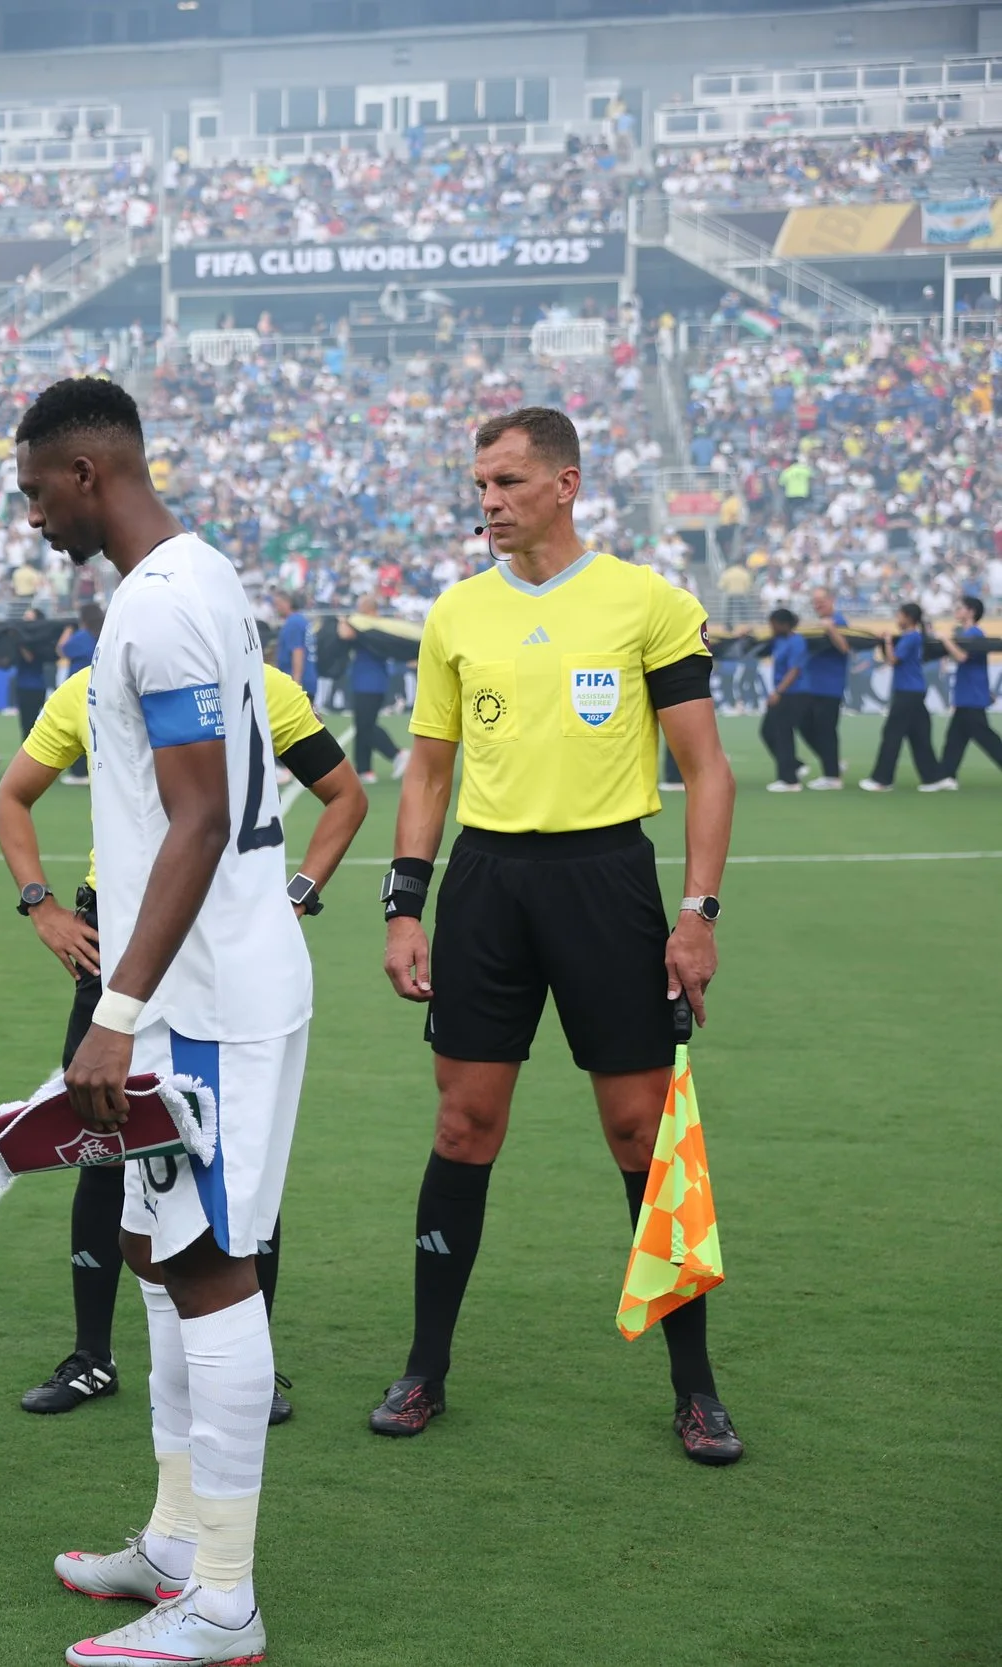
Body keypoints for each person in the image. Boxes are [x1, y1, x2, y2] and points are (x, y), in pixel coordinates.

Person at [372, 406, 742, 1467]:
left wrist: (697, 913)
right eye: (479, 485)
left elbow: (705, 767)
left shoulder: (647, 602)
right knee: (462, 1125)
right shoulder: (455, 613)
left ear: (566, 483)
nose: (487, 502)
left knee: (641, 1131)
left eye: (507, 482)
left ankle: (695, 1387)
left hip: (606, 881)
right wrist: (404, 904)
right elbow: (430, 771)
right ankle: (423, 1367)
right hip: (487, 884)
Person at [12, 377, 308, 1667]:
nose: (31, 520)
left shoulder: (161, 605)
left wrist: (113, 1013)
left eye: (34, 493)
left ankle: (227, 1601)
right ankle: (178, 1541)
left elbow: (197, 818)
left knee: (210, 1265)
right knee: (155, 1257)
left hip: (206, 1001)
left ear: (86, 472)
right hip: (194, 989)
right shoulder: (193, 577)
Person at [0, 659, 363, 1430]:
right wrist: (42, 905)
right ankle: (92, 1355)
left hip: (229, 938)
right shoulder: (87, 687)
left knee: (238, 1156)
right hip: (120, 932)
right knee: (101, 1142)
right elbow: (11, 797)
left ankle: (247, 1365)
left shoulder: (265, 684)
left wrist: (298, 894)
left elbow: (346, 796)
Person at [863, 603, 940, 792]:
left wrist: (888, 641)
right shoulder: (915, 637)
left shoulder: (910, 637)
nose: (897, 619)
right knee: (919, 736)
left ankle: (882, 779)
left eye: (899, 615)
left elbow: (893, 660)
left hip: (907, 691)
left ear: (908, 618)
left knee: (892, 734)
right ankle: (933, 778)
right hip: (914, 690)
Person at [927, 597, 997, 787]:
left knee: (987, 740)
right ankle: (946, 776)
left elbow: (962, 657)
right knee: (954, 740)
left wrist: (944, 639)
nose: (956, 611)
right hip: (967, 695)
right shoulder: (966, 634)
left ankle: (946, 776)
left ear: (971, 612)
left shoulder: (974, 633)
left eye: (960, 608)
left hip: (972, 696)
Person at [336, 594, 404, 783]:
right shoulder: (375, 626)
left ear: (367, 608)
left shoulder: (369, 626)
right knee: (363, 725)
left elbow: (345, 634)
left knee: (366, 726)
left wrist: (343, 620)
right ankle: (364, 769)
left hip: (369, 682)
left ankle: (397, 754)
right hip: (368, 681)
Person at [793, 586, 850, 789]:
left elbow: (845, 648)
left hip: (830, 687)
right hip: (811, 687)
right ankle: (832, 763)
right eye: (815, 602)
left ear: (831, 600)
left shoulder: (839, 621)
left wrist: (830, 628)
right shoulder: (817, 625)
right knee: (803, 723)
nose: (818, 605)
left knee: (826, 730)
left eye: (822, 601)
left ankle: (832, 777)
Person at [759, 609, 805, 792]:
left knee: (782, 734)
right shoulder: (778, 640)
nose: (771, 628)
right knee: (768, 731)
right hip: (783, 692)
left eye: (774, 624)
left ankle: (789, 780)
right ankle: (794, 765)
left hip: (793, 693)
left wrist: (778, 692)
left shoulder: (797, 642)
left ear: (784, 624)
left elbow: (794, 670)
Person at [11, 605, 53, 744]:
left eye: (29, 618)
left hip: (31, 686)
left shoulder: (37, 641)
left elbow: (30, 658)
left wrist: (19, 642)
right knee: (27, 725)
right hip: (28, 685)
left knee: (30, 726)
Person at [272, 591, 315, 702]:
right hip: (308, 678)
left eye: (278, 604)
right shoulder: (301, 620)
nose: (276, 608)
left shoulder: (293, 623)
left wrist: (296, 683)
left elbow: (298, 652)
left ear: (287, 603)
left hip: (296, 681)